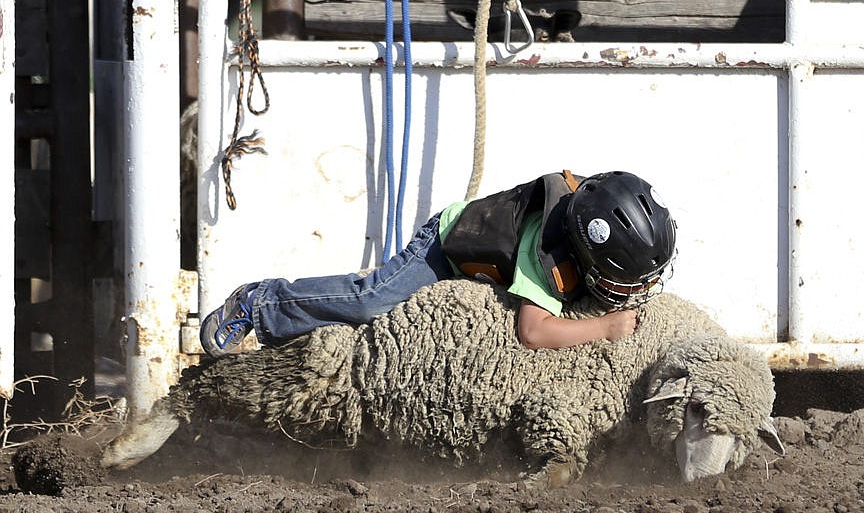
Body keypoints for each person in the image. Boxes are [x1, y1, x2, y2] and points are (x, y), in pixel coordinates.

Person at [200, 170, 677, 359]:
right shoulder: (545, 255)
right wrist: (608, 328)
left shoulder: (595, 218)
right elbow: (532, 332)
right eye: (621, 278)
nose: (634, 290)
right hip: (446, 248)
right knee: (372, 303)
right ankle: (260, 303)